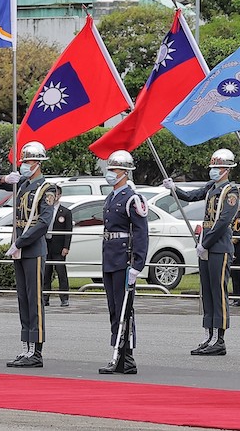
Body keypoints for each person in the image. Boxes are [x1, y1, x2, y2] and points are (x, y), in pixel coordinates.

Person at [164, 148, 238, 356]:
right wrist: (174, 189)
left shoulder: (230, 192)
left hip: (219, 246)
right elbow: (190, 196)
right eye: (213, 167)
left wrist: (206, 244)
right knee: (207, 292)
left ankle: (219, 339)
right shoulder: (211, 187)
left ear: (226, 169)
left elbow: (223, 221)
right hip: (205, 245)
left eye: (217, 167)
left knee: (218, 291)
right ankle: (209, 334)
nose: (213, 171)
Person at [0, 141, 55, 368]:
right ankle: (26, 346)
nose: (24, 165)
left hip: (33, 249)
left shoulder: (47, 189)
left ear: (37, 163)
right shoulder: (23, 184)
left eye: (27, 162)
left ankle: (36, 350)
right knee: (23, 299)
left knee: (34, 300)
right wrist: (7, 179)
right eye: (23, 161)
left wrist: (20, 242)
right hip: (19, 250)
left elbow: (43, 223)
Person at [97, 150, 148, 375]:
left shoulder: (133, 198)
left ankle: (127, 357)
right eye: (110, 169)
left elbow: (141, 233)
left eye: (115, 170)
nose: (111, 174)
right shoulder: (112, 196)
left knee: (124, 309)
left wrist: (137, 265)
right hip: (110, 257)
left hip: (124, 260)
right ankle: (117, 353)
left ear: (125, 172)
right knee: (113, 309)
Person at [43, 189, 72, 308]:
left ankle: (64, 298)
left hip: (59, 247)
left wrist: (66, 247)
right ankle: (45, 297)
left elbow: (68, 231)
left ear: (59, 195)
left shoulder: (65, 212)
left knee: (61, 272)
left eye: (54, 194)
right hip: (46, 244)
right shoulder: (44, 210)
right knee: (46, 273)